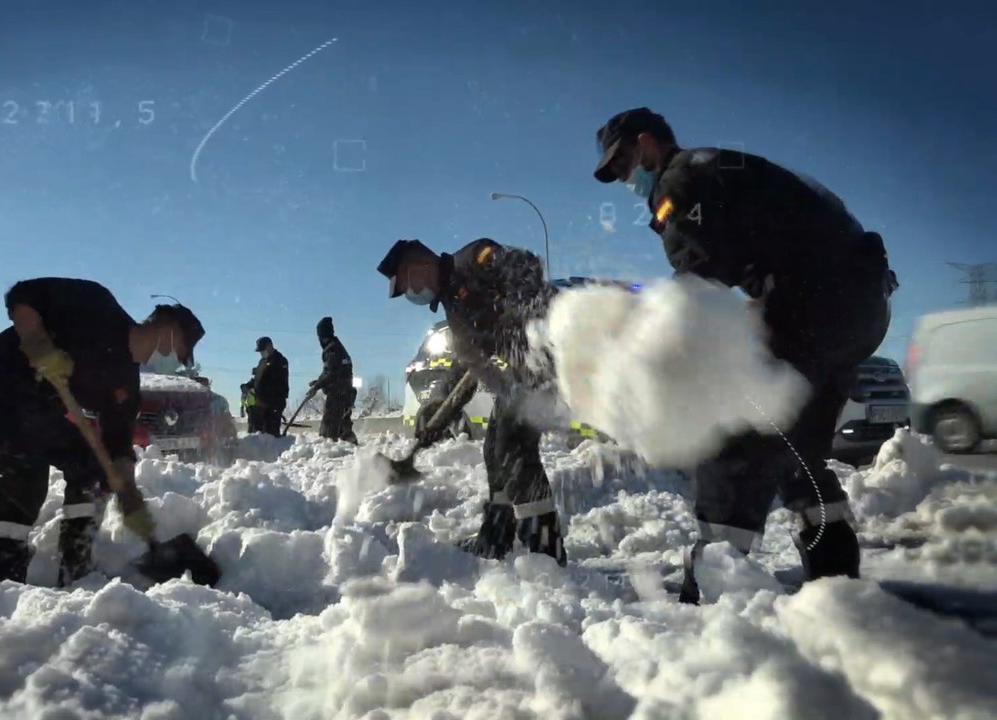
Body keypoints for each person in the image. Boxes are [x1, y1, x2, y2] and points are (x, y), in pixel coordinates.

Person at [591, 107, 897, 602]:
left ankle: (714, 589)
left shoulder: (682, 178)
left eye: (624, 163)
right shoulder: (719, 168)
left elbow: (699, 283)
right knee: (795, 441)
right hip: (860, 305)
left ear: (646, 144)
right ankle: (836, 581)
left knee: (734, 427)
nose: (626, 178)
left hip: (811, 304)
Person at [0, 278, 205, 585]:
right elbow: (22, 294)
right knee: (26, 472)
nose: (176, 363)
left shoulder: (126, 384)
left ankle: (75, 561)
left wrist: (127, 490)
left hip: (36, 406)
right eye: (180, 353)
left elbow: (117, 446)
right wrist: (36, 341)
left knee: (93, 470)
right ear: (168, 331)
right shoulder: (97, 305)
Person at [377, 238, 567, 565]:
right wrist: (439, 407)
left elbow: (527, 266)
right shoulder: (454, 308)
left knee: (514, 450)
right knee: (494, 450)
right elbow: (466, 364)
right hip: (516, 382)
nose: (413, 295)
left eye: (409, 286)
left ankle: (546, 549)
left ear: (421, 265)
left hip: (544, 362)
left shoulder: (473, 259)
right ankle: (496, 536)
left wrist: (515, 311)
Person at [309, 317, 358, 443]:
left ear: (322, 335)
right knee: (342, 427)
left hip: (338, 396)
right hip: (344, 394)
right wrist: (318, 382)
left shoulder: (333, 350)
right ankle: (351, 450)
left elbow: (331, 374)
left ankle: (343, 451)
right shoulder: (335, 348)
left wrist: (316, 387)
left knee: (329, 433)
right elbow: (328, 371)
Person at [250, 336, 290, 437]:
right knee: (257, 433)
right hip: (259, 404)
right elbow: (258, 379)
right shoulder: (262, 361)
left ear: (269, 346)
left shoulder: (280, 360)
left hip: (273, 403)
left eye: (263, 350)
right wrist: (249, 385)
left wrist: (269, 401)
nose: (261, 353)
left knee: (270, 434)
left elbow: (278, 384)